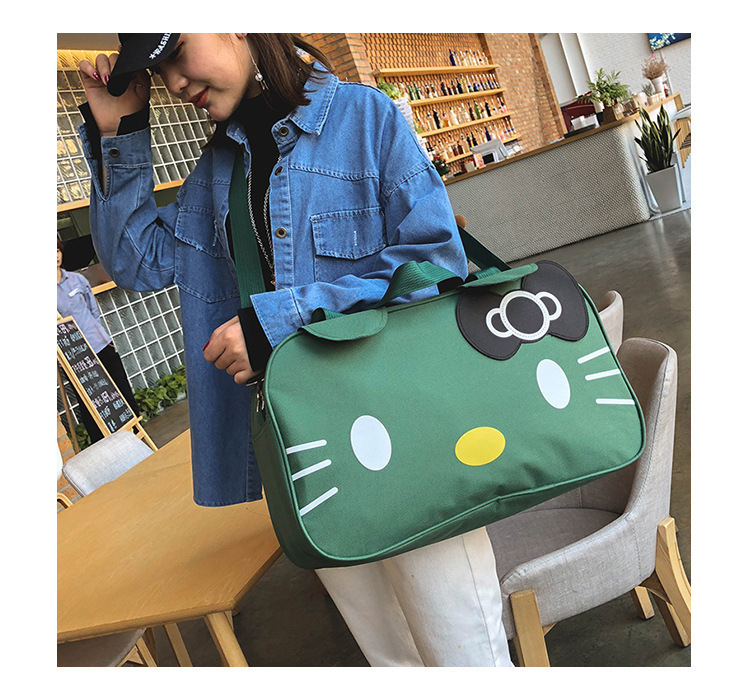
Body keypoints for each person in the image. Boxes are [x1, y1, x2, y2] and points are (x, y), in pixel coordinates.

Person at [76, 33, 513, 667]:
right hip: (308, 458)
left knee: (467, 654)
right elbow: (136, 260)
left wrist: (276, 324)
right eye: (160, 68)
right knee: (392, 662)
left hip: (411, 437)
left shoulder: (364, 119)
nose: (173, 83)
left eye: (178, 52)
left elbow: (434, 265)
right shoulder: (214, 175)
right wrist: (121, 131)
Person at [57, 239, 141, 442]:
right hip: (75, 355)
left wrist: (99, 333)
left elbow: (93, 310)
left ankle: (136, 435)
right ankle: (102, 443)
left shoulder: (76, 280)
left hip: (101, 344)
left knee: (121, 389)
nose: (55, 256)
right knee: (88, 402)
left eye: (56, 250)